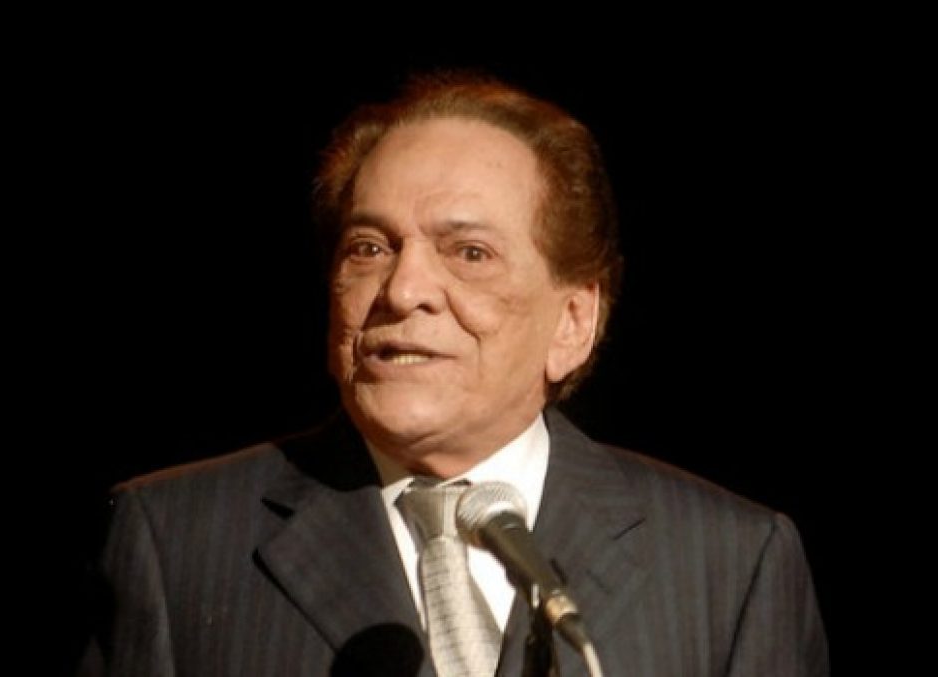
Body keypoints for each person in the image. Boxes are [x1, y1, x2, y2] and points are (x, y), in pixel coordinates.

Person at [78, 72, 829, 676]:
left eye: (469, 253)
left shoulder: (729, 564)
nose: (404, 290)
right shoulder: (176, 542)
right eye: (370, 248)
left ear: (573, 322)